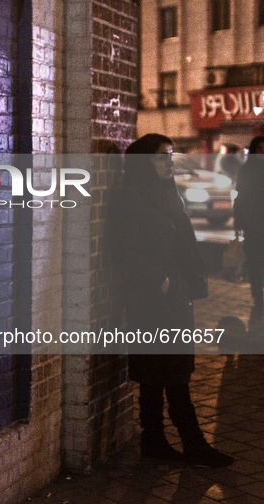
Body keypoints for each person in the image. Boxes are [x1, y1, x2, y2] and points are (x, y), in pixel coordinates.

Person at [111, 133, 233, 467]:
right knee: (172, 373)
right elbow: (122, 250)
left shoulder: (167, 194)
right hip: (152, 300)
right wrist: (160, 281)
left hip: (173, 296)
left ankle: (154, 439)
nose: (169, 163)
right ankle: (192, 442)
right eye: (161, 157)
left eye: (171, 155)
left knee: (159, 374)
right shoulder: (132, 197)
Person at [234, 135, 264, 327]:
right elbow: (241, 197)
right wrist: (241, 222)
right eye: (259, 149)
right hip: (254, 225)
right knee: (256, 263)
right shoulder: (246, 171)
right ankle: (258, 297)